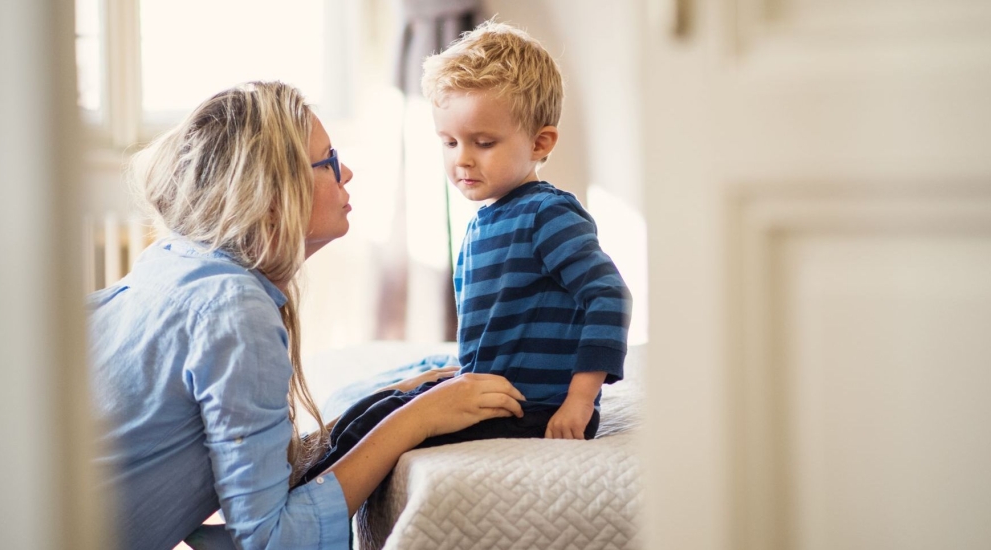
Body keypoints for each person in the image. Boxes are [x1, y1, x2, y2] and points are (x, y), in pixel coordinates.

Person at [87, 81, 526, 550]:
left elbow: (255, 477)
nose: (348, 173)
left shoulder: (172, 263)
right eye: (329, 162)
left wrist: (387, 404)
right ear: (272, 197)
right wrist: (416, 419)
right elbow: (273, 540)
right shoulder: (234, 308)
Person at [297, 21, 632, 482]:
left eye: (484, 143)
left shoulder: (546, 214)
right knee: (376, 408)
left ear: (540, 143)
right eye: (450, 142)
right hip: (495, 393)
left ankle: (296, 508)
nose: (462, 159)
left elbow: (609, 296)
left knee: (386, 429)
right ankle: (287, 491)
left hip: (532, 408)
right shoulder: (487, 220)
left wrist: (579, 400)